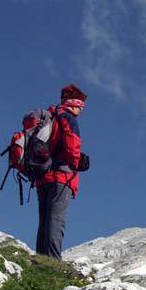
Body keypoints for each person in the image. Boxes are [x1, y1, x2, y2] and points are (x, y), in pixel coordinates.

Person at [35, 83, 86, 258]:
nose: (81, 110)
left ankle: (41, 259)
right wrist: (79, 162)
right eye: (80, 106)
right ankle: (53, 261)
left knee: (44, 220)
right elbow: (72, 147)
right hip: (62, 177)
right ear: (74, 104)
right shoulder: (69, 119)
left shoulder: (49, 117)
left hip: (42, 176)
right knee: (56, 220)